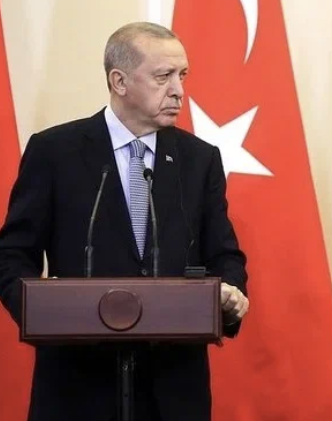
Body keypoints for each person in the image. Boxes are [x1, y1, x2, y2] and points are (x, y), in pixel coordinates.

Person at [0, 22, 249, 421]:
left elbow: (225, 255)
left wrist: (230, 295)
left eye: (182, 76)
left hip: (171, 389)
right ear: (119, 81)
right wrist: (42, 313)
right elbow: (12, 255)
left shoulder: (199, 159)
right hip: (78, 386)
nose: (179, 91)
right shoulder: (55, 151)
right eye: (163, 76)